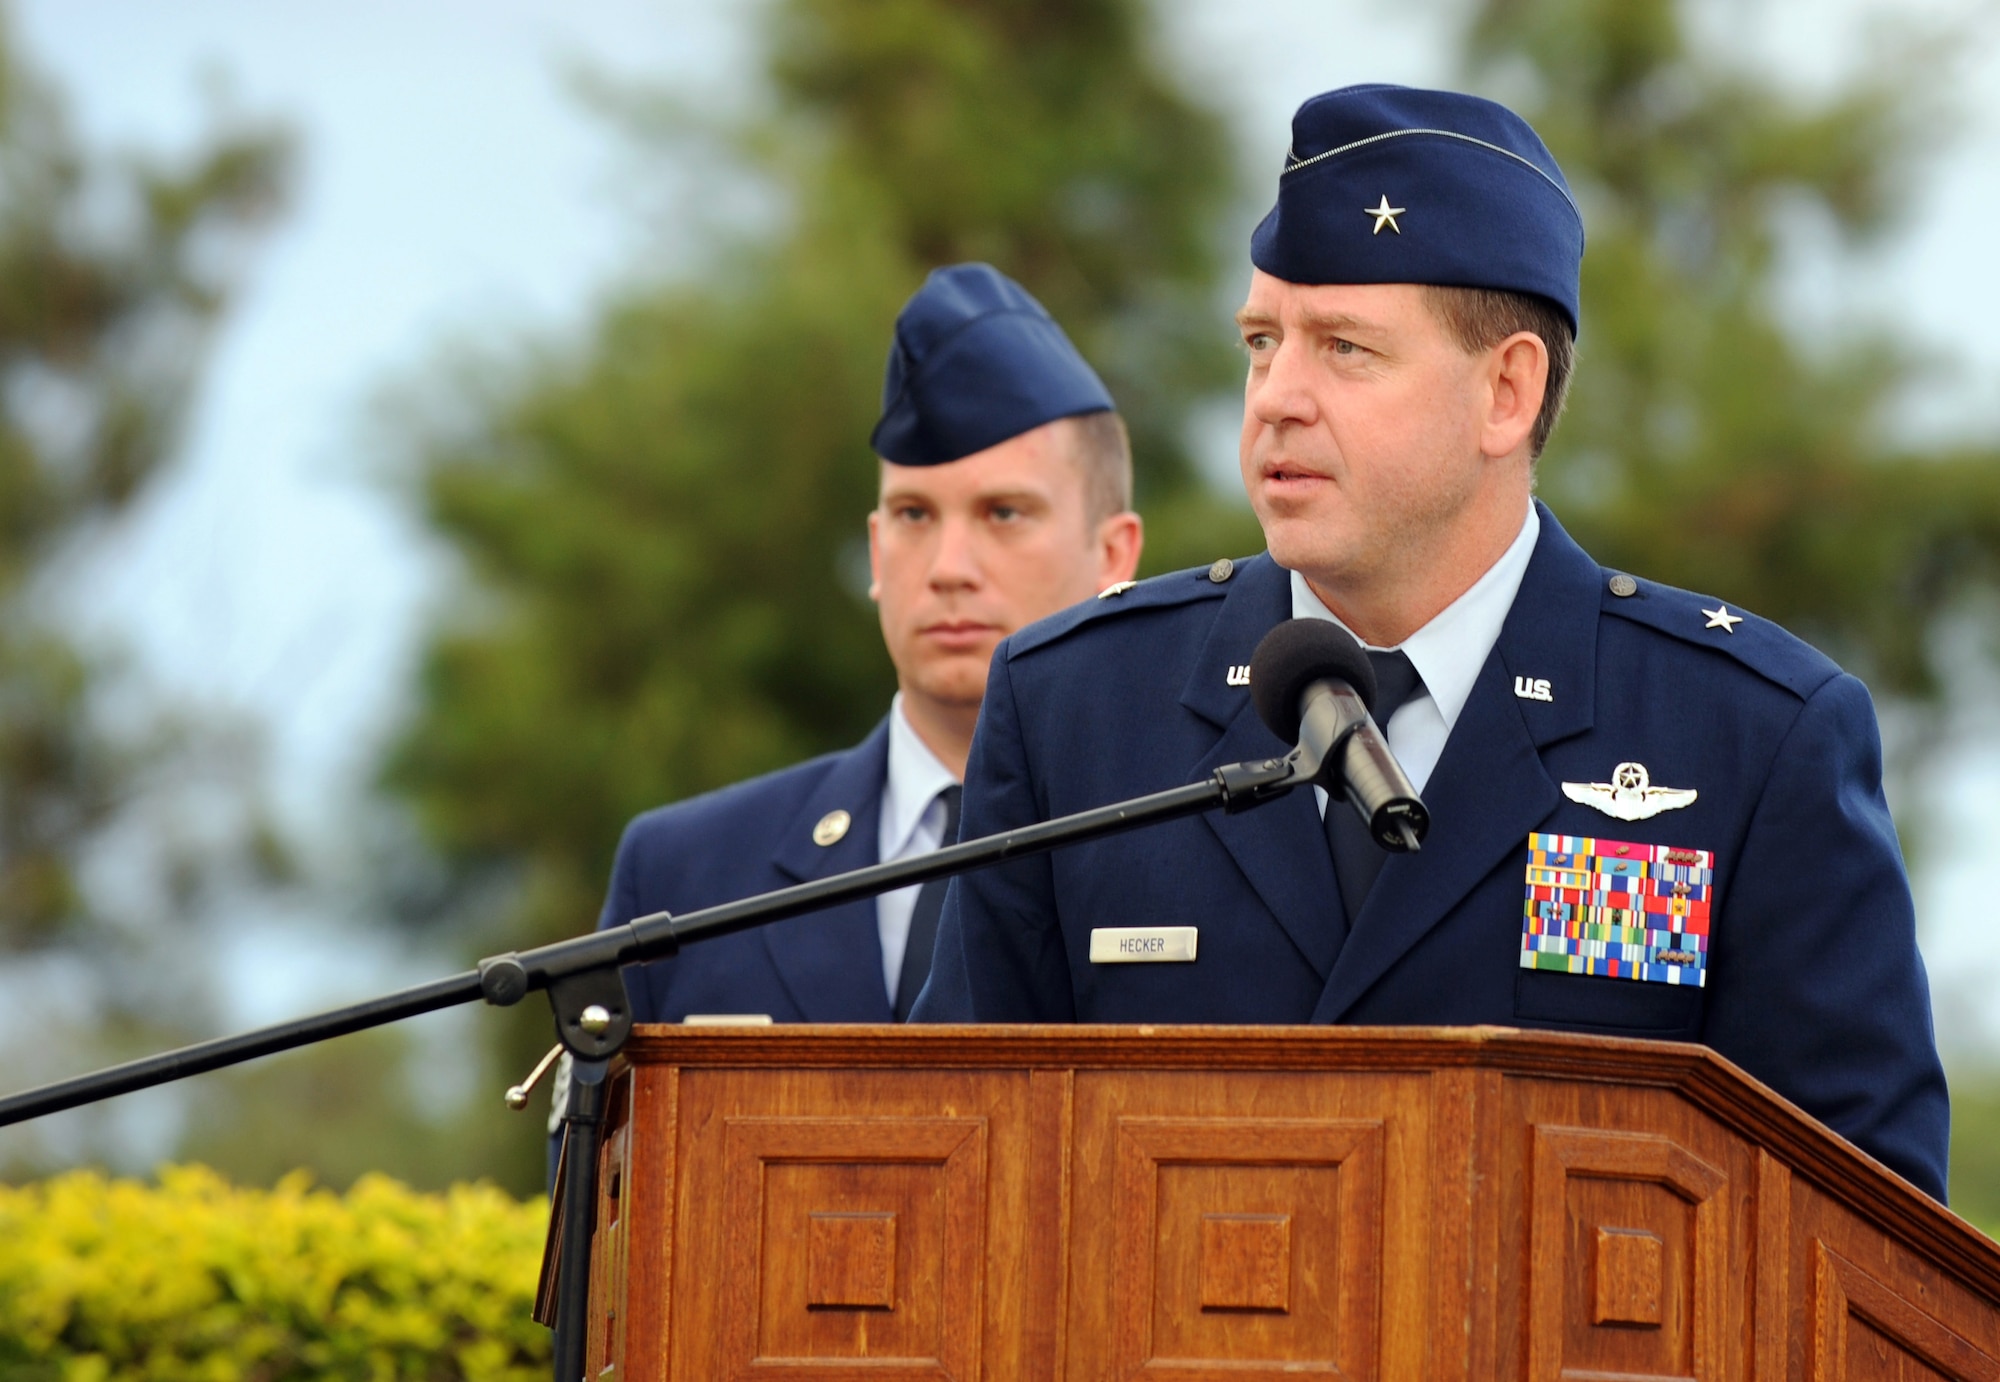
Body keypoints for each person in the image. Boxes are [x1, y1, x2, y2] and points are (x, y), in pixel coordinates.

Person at [910, 86, 1950, 1202]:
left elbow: (1862, 1245)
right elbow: (948, 1162)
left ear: (1505, 391)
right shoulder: (1075, 705)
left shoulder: (1749, 737)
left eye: (1343, 348)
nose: (1273, 400)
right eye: (1261, 342)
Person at [597, 261, 1143, 1025]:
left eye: (1004, 514)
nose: (949, 569)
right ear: (878, 552)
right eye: (915, 516)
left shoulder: (1205, 844)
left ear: (1113, 557)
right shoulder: (690, 878)